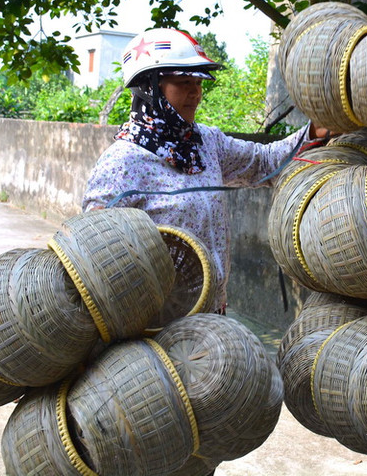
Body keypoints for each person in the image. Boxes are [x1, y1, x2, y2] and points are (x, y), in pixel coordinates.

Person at [82, 28, 328, 314]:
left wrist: (314, 131)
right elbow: (94, 254)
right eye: (184, 82)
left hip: (212, 317)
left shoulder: (207, 143)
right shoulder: (123, 161)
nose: (195, 93)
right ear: (149, 88)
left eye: (198, 83)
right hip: (156, 328)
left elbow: (264, 162)